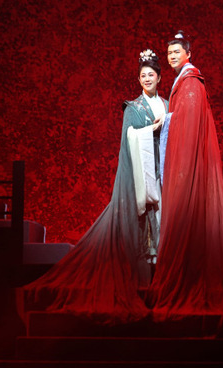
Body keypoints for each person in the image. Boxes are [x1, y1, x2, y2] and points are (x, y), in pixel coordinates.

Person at [20, 50, 167, 324]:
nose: (147, 79)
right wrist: (151, 130)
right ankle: (138, 282)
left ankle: (159, 285)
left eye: (151, 74)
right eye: (142, 76)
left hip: (162, 174)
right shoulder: (133, 108)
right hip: (141, 177)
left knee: (162, 225)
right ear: (139, 79)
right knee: (139, 228)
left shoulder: (167, 104)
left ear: (159, 77)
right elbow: (129, 140)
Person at [148, 31, 223, 325]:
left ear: (188, 54)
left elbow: (189, 126)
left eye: (177, 52)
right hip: (183, 162)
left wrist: (182, 168)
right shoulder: (185, 81)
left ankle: (186, 283)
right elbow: (180, 118)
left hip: (186, 163)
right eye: (169, 53)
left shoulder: (191, 83)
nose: (172, 57)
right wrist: (167, 118)